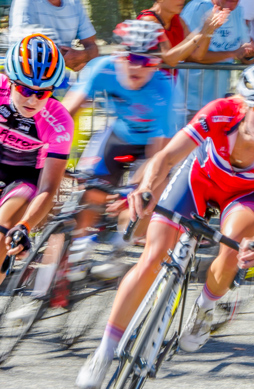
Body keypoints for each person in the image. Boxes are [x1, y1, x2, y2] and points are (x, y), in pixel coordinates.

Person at [76, 63, 254, 389]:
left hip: (245, 196)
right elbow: (166, 158)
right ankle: (104, 351)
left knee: (234, 243)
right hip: (199, 180)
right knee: (153, 257)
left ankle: (205, 308)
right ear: (245, 104)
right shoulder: (221, 113)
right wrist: (145, 188)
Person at [62, 20, 173, 280]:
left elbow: (158, 155)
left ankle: (119, 247)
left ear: (156, 64)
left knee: (145, 195)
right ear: (120, 54)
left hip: (149, 146)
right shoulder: (102, 68)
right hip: (118, 135)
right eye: (132, 57)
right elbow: (67, 111)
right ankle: (81, 243)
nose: (137, 66)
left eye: (147, 61)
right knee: (93, 187)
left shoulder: (164, 89)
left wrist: (135, 189)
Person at [0, 34, 74, 286]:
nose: (33, 100)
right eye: (25, 89)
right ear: (10, 80)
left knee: (4, 231)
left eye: (43, 93)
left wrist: (25, 225)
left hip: (25, 180)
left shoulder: (60, 121)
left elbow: (48, 188)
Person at [175, 0, 254, 121]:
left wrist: (249, 54)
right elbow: (189, 55)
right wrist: (232, 53)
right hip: (190, 103)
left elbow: (243, 54)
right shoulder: (198, 7)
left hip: (218, 103)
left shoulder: (238, 10)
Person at [136, 0, 231, 70]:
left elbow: (197, 55)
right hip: (143, 89)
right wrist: (204, 31)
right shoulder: (148, 20)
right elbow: (170, 59)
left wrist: (210, 28)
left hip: (164, 89)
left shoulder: (178, 20)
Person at [9, 0, 98, 72]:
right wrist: (62, 58)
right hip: (31, 83)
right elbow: (21, 48)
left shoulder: (75, 3)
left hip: (63, 81)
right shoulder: (25, 2)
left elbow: (93, 48)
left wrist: (83, 55)